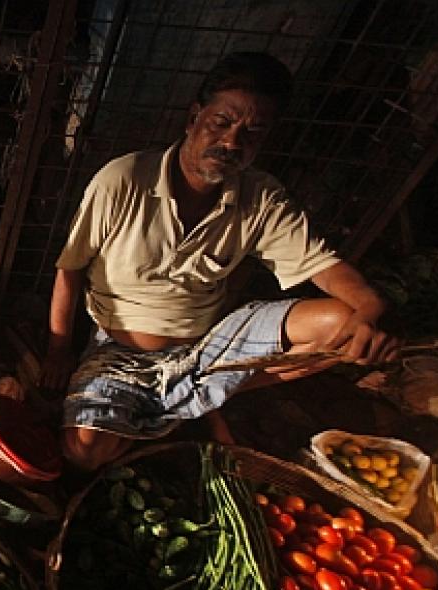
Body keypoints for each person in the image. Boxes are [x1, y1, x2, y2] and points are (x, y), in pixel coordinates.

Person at [41, 52, 399, 470]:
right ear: (194, 117)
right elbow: (70, 269)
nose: (231, 142)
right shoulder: (124, 179)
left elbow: (324, 266)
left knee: (342, 324)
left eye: (252, 132)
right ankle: (194, 404)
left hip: (207, 349)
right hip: (119, 353)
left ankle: (195, 395)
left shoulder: (261, 197)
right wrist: (58, 349)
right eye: (221, 122)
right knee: (84, 452)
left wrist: (370, 308)